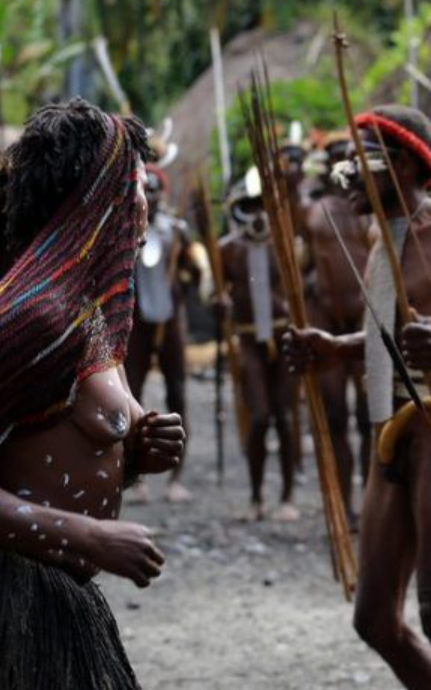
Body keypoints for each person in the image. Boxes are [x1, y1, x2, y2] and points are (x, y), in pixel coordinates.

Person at [285, 105, 431, 690]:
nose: (345, 171)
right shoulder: (380, 231)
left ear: (399, 163)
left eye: (359, 159)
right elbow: (387, 335)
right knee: (374, 618)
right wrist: (333, 345)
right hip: (389, 421)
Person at [0, 98, 185, 688]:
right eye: (132, 182)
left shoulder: (92, 318)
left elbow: (48, 444)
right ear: (96, 196)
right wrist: (89, 536)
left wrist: (136, 455)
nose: (142, 202)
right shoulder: (33, 317)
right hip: (15, 601)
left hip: (59, 608)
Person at [297, 131, 373, 523]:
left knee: (367, 415)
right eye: (336, 159)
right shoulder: (313, 210)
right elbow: (302, 263)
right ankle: (343, 508)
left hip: (365, 321)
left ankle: (371, 501)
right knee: (335, 416)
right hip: (325, 318)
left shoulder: (372, 208)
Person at [218, 168, 299, 522]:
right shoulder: (226, 250)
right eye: (247, 207)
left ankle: (286, 496)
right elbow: (213, 293)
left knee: (285, 416)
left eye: (260, 206)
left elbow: (302, 283)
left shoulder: (285, 244)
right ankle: (255, 497)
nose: (255, 214)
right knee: (260, 417)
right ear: (237, 211)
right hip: (249, 337)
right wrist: (218, 302)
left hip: (282, 336)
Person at [124, 164, 200, 504]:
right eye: (146, 188)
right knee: (132, 395)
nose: (151, 195)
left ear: (163, 193)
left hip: (170, 322)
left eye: (156, 189)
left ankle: (177, 478)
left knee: (178, 394)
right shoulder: (124, 230)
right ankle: (134, 476)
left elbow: (194, 272)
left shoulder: (177, 231)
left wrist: (183, 284)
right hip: (135, 323)